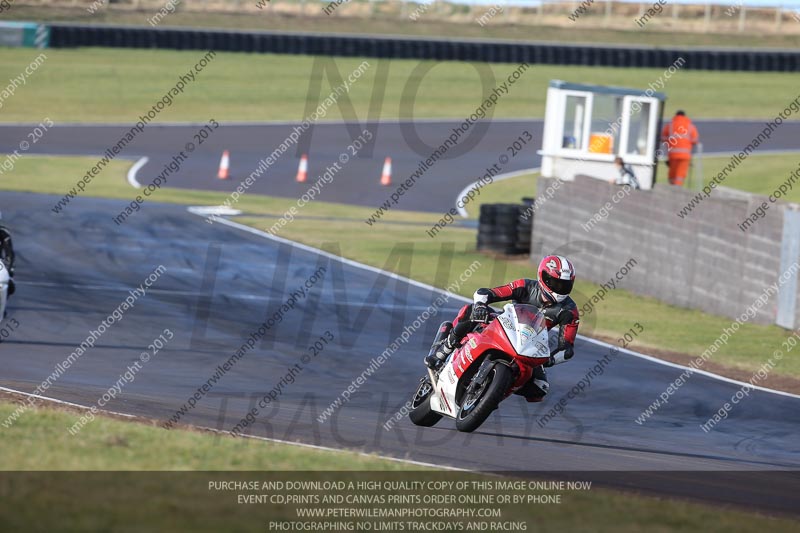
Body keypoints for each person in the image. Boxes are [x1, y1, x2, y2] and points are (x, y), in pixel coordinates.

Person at [425, 255, 580, 402]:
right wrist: (480, 306)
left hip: (529, 344)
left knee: (539, 389)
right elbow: (486, 293)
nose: (559, 289)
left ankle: (493, 395)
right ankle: (444, 349)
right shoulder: (525, 286)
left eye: (564, 285)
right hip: (505, 324)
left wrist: (550, 360)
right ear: (543, 277)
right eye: (554, 282)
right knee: (470, 311)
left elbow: (566, 348)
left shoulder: (569, 310)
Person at [660, 110, 699, 186]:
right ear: (684, 116)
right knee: (680, 175)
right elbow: (695, 140)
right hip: (685, 155)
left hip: (673, 154)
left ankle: (671, 187)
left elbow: (663, 138)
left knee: (672, 174)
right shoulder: (690, 126)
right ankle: (677, 188)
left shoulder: (670, 125)